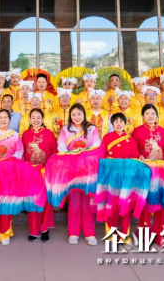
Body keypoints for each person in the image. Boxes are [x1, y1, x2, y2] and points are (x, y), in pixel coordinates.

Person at [57, 104, 101, 246]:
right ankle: (73, 232)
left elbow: (96, 145)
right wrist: (72, 154)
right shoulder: (65, 129)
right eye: (74, 114)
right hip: (72, 168)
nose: (76, 117)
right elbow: (61, 146)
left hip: (88, 168)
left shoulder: (92, 129)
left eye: (79, 114)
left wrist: (83, 153)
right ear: (70, 116)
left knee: (88, 201)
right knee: (74, 201)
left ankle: (90, 233)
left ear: (84, 114)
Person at [131, 104, 164, 245]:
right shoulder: (137, 131)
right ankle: (145, 233)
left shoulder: (163, 131)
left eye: (153, 113)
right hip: (145, 169)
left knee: (160, 201)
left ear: (157, 116)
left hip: (161, 170)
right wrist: (139, 157)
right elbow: (133, 149)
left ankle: (161, 234)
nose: (150, 116)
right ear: (143, 116)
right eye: (147, 113)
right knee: (145, 201)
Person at [0, 109, 24, 246]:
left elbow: (19, 152)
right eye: (0, 117)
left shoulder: (15, 135)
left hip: (9, 172)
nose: (2, 120)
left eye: (5, 117)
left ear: (9, 120)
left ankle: (6, 232)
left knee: (7, 202)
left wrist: (9, 162)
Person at [102, 113, 140, 249]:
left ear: (125, 123)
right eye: (116, 122)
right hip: (111, 176)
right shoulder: (107, 138)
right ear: (112, 124)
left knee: (126, 206)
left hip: (126, 178)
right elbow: (102, 155)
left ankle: (124, 234)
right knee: (111, 205)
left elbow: (135, 158)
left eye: (121, 122)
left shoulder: (130, 140)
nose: (118, 124)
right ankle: (110, 234)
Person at [21, 108, 57, 242]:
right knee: (32, 201)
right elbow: (23, 153)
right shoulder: (25, 134)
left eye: (38, 117)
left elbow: (54, 152)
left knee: (46, 202)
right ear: (30, 119)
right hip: (31, 173)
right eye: (33, 117)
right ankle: (34, 230)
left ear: (42, 119)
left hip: (46, 172)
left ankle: (44, 228)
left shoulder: (49, 134)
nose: (36, 120)